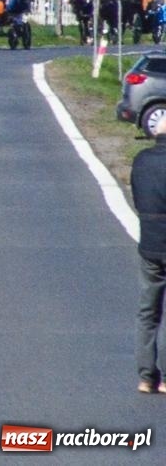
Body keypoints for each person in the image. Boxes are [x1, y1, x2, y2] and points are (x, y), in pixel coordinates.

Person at [132, 114, 166, 392]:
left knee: (148, 312)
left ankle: (146, 377)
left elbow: (137, 197)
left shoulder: (142, 161)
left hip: (149, 244)